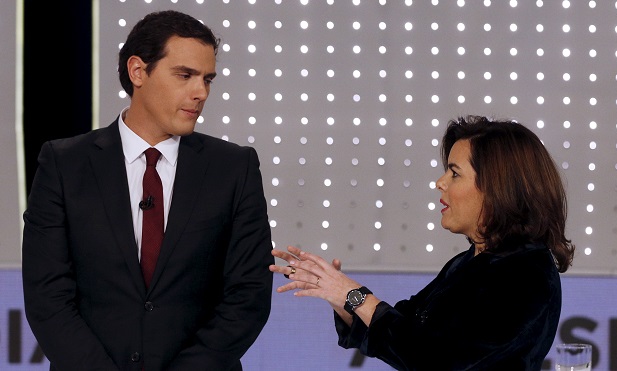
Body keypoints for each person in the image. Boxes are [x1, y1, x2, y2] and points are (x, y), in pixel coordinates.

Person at [22, 10, 273, 371]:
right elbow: (48, 297)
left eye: (207, 79)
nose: (200, 92)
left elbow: (248, 296)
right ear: (138, 71)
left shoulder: (234, 168)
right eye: (185, 75)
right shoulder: (64, 164)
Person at [270, 115, 575, 370]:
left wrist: (353, 294)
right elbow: (403, 328)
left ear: (497, 187)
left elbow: (435, 358)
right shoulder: (469, 261)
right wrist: (337, 294)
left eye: (454, 174)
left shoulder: (524, 274)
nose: (440, 183)